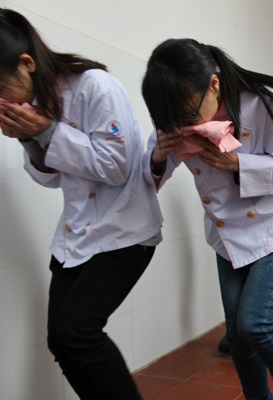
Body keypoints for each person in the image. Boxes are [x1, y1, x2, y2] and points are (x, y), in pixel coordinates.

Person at [0, 9, 163, 399]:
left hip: (125, 231)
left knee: (78, 332)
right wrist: (30, 138)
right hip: (76, 233)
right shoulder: (36, 103)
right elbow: (49, 177)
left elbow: (117, 167)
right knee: (60, 341)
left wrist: (47, 131)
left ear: (26, 64)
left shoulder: (94, 86)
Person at [141, 39, 273, 400]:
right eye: (174, 121)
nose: (184, 126)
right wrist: (157, 156)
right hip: (228, 235)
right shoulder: (176, 114)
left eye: (189, 117)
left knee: (255, 324)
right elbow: (151, 177)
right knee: (236, 335)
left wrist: (238, 163)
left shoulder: (266, 100)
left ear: (214, 85)